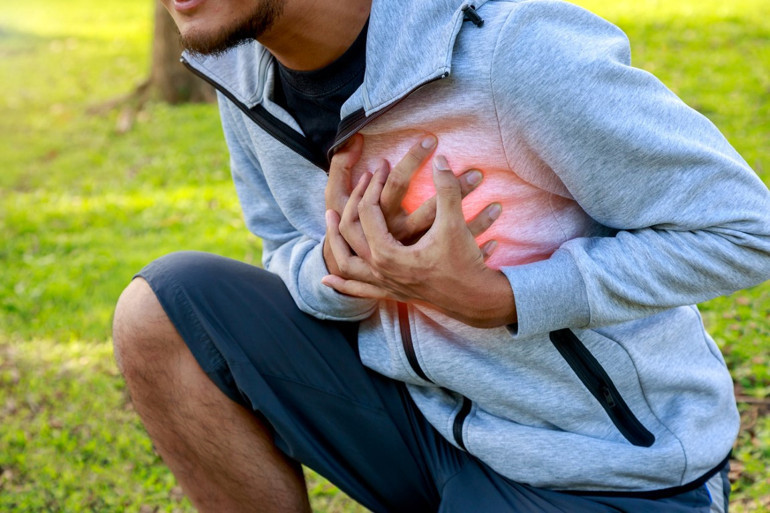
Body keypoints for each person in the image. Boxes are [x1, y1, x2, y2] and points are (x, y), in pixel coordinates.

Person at [112, 0, 770, 511]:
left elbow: (748, 231)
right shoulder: (239, 66)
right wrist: (340, 270)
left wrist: (505, 296)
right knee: (161, 310)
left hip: (596, 466)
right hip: (418, 420)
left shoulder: (509, 49)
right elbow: (284, 246)